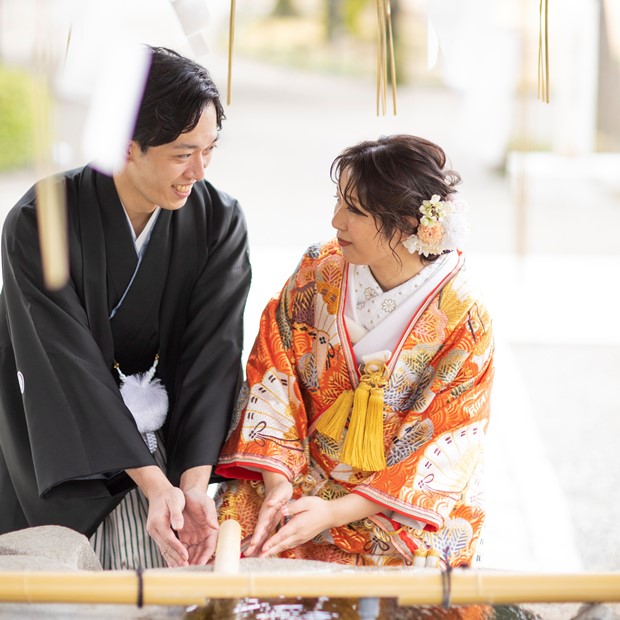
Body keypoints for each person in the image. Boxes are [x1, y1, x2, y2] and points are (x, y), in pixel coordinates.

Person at [0, 46, 251, 569]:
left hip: (160, 407)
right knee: (59, 572)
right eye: (183, 154)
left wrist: (192, 482)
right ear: (125, 147)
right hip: (50, 403)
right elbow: (67, 363)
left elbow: (213, 354)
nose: (199, 171)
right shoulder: (39, 220)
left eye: (210, 149)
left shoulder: (218, 219)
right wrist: (154, 485)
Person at [215, 135, 494, 568]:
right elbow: (275, 370)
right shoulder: (319, 270)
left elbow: (447, 438)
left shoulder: (464, 317)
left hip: (393, 504)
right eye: (338, 201)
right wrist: (277, 480)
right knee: (240, 527)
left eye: (355, 211)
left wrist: (335, 512)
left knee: (421, 578)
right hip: (301, 469)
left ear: (407, 224)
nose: (335, 221)